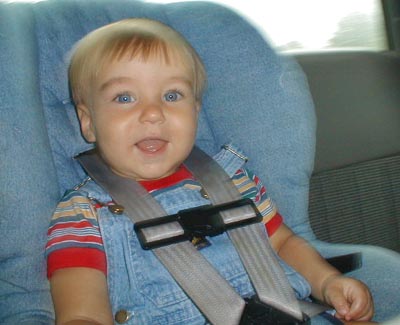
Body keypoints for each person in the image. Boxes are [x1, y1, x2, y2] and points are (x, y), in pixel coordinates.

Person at [46, 18, 374, 325]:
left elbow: (282, 242)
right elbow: (83, 313)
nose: (152, 113)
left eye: (172, 95)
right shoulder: (82, 215)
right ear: (88, 122)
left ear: (195, 111)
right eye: (124, 97)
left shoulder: (232, 179)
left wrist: (327, 281)